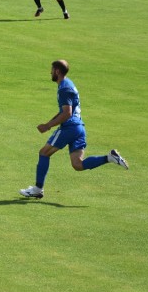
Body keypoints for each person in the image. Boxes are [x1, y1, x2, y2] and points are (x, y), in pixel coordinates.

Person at [20, 60, 129, 199]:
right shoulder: (68, 84)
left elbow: (67, 113)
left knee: (44, 153)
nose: (50, 72)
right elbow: (65, 111)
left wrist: (48, 126)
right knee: (78, 164)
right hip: (79, 128)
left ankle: (38, 189)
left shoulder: (64, 89)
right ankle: (109, 157)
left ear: (57, 71)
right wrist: (48, 123)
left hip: (69, 127)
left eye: (52, 70)